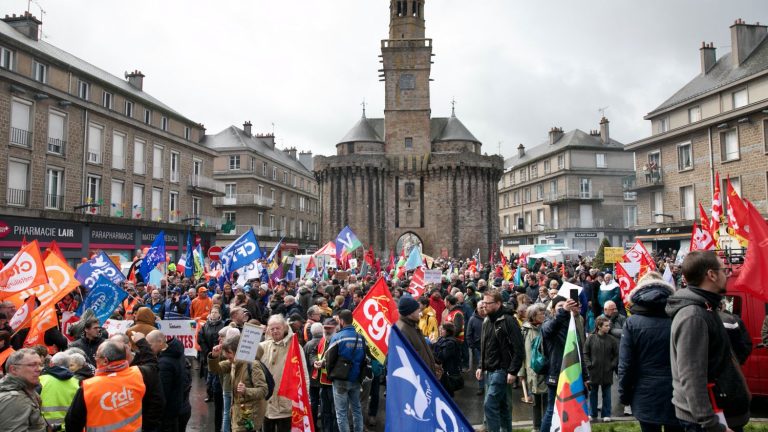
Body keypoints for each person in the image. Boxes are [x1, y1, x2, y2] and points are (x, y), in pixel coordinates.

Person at [666, 251, 750, 432]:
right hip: (708, 421)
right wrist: (711, 423)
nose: (727, 274)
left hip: (720, 414)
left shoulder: (706, 308)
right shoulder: (693, 316)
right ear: (711, 275)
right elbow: (691, 375)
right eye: (723, 269)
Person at [618, 272, 682, 432]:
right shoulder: (679, 317)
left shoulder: (632, 323)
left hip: (644, 393)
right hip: (676, 391)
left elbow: (625, 364)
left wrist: (624, 394)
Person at [65, 340, 146, 432]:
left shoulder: (89, 388)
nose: (95, 359)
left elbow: (72, 424)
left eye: (97, 356)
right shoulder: (138, 374)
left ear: (105, 361)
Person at [476, 288, 524, 432]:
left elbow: (519, 348)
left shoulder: (508, 320)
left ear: (498, 303)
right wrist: (480, 366)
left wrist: (513, 370)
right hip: (490, 371)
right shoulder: (486, 320)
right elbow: (484, 345)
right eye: (483, 302)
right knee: (503, 407)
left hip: (502, 370)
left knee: (489, 405)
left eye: (487, 303)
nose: (484, 306)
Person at [540, 296, 585, 432]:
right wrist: (564, 311)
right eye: (559, 306)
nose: (563, 308)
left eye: (565, 305)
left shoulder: (572, 325)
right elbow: (548, 330)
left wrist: (586, 376)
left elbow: (578, 350)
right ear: (553, 310)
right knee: (552, 409)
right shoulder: (548, 323)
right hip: (556, 373)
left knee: (571, 409)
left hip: (573, 374)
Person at [209, 334, 269, 432]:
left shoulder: (253, 365)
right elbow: (216, 369)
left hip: (249, 416)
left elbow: (263, 390)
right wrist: (213, 356)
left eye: (229, 352)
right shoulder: (233, 362)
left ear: (238, 351)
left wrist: (246, 390)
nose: (226, 355)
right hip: (238, 413)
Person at [258, 314, 304, 432]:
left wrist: (305, 399)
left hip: (286, 404)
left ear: (284, 327)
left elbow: (303, 375)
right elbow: (244, 359)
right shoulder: (262, 346)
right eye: (272, 329)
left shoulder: (295, 347)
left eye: (277, 328)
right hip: (266, 404)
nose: (275, 331)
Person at [325, 310, 369, 432]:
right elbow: (365, 358)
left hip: (340, 379)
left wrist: (331, 375)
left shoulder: (337, 337)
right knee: (356, 409)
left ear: (342, 321)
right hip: (355, 379)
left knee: (341, 413)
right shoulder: (361, 338)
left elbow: (329, 359)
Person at [147, 330, 192, 432]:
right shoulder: (175, 352)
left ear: (160, 342)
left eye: (150, 345)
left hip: (169, 415)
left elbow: (163, 393)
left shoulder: (164, 363)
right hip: (181, 407)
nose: (149, 348)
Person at [0, 348, 46, 431]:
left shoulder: (26, 390)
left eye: (40, 364)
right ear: (13, 369)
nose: (39, 369)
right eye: (32, 365)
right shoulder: (14, 398)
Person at [584, 316, 618, 422]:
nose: (608, 327)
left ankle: (606, 414)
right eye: (606, 325)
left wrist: (612, 365)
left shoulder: (612, 340)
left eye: (609, 325)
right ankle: (592, 413)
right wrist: (589, 365)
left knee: (607, 393)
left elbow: (616, 355)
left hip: (607, 371)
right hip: (594, 371)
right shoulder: (591, 338)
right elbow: (586, 353)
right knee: (593, 393)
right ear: (599, 326)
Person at [522, 303, 548, 432]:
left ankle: (546, 426)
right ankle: (536, 426)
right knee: (536, 401)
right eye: (540, 313)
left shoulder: (547, 328)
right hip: (532, 371)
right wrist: (521, 372)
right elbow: (522, 352)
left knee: (547, 399)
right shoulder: (525, 330)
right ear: (532, 316)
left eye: (544, 313)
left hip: (546, 369)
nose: (543, 315)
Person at [395, 296, 436, 373]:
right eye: (417, 310)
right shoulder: (402, 331)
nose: (419, 311)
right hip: (419, 376)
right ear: (409, 312)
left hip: (425, 374)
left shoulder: (413, 324)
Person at [39, 351, 80, 430]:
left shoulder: (41, 380)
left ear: (51, 363)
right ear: (68, 365)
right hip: (69, 428)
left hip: (46, 428)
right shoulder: (76, 382)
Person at [200, 307, 227, 402]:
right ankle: (209, 394)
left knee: (218, 377)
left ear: (219, 314)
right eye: (212, 312)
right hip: (209, 354)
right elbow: (201, 339)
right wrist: (207, 351)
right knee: (209, 376)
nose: (214, 314)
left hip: (220, 355)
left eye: (216, 312)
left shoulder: (224, 325)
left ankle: (218, 395)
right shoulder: (205, 325)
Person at [433, 322, 461, 397]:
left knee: (447, 391)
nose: (441, 331)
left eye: (443, 329)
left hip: (448, 371)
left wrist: (433, 350)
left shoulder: (450, 343)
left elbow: (442, 357)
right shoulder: (441, 339)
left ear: (448, 331)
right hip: (444, 370)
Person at [305, 322, 325, 427]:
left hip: (312, 379)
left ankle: (313, 424)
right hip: (324, 379)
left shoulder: (308, 345)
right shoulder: (325, 342)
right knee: (324, 401)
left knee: (313, 401)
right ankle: (324, 424)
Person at [465, 300, 486, 395]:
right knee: (480, 367)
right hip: (478, 348)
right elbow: (468, 334)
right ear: (477, 308)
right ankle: (481, 386)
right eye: (481, 307)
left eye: (484, 307)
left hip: (490, 347)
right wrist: (472, 346)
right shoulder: (472, 319)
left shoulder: (490, 317)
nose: (483, 309)